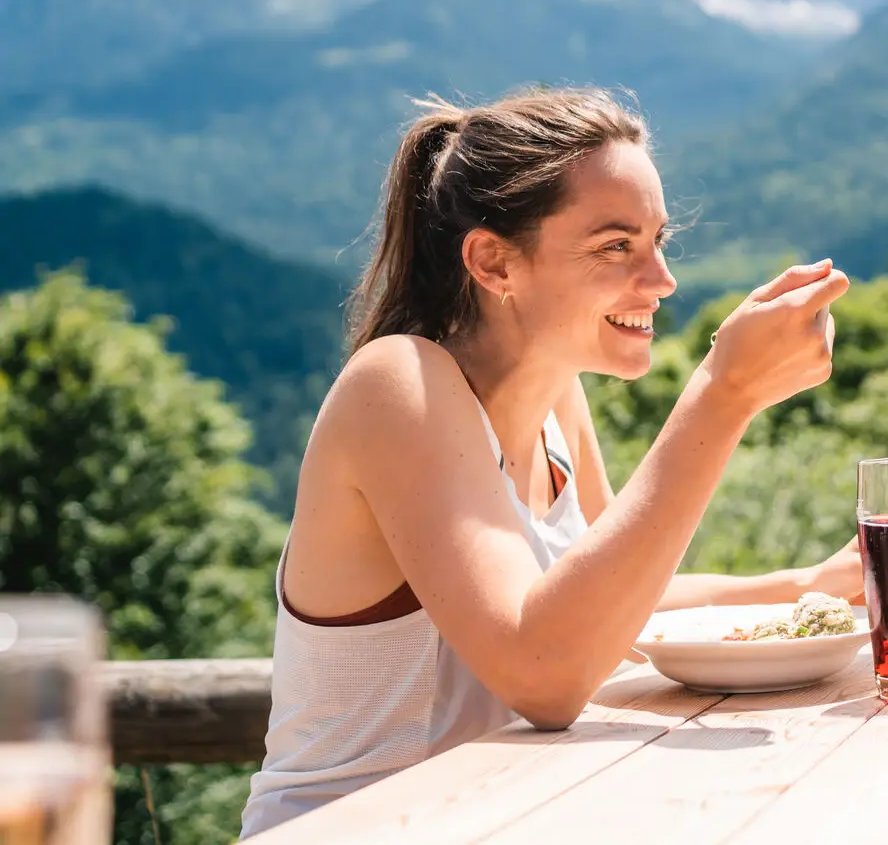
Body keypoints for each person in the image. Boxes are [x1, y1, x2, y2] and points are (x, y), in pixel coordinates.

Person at [241, 88, 854, 835]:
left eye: (660, 241)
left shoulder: (558, 400)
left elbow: (608, 608)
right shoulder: (398, 385)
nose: (661, 281)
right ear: (494, 261)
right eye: (615, 245)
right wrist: (721, 399)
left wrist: (805, 585)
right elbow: (546, 672)